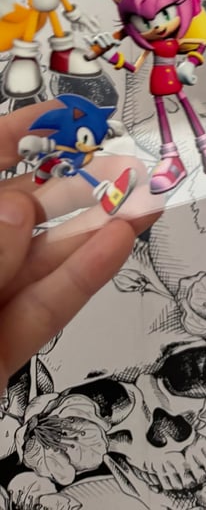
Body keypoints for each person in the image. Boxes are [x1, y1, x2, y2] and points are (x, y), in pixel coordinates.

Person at [0, 100, 162, 393]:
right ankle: (108, 192)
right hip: (67, 168)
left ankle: (109, 191)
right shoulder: (64, 151)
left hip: (75, 168)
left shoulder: (85, 147)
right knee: (86, 178)